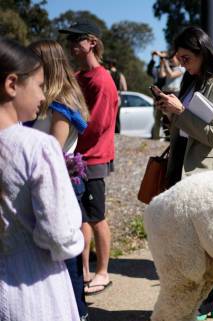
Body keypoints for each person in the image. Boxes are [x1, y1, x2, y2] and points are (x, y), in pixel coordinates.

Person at [0, 36, 97, 321]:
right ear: (12, 84)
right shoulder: (35, 147)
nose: (43, 96)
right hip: (35, 290)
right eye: (39, 85)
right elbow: (60, 235)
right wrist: (74, 241)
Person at [156, 26, 213, 321]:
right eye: (178, 58)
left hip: (210, 175)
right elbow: (187, 127)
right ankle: (200, 299)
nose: (182, 63)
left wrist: (180, 112)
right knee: (192, 245)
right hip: (185, 168)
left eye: (186, 57)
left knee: (209, 246)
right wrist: (169, 110)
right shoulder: (192, 81)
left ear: (203, 51)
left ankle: (207, 301)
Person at [28, 39, 91, 321]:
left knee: (66, 256)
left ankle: (76, 313)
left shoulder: (61, 104)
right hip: (50, 183)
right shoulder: (48, 100)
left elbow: (54, 147)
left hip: (60, 184)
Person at [59, 20, 119, 294]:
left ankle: (103, 271)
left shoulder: (102, 80)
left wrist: (65, 133)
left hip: (93, 159)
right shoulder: (78, 77)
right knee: (80, 217)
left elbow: (98, 125)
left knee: (96, 217)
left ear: (91, 42)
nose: (71, 45)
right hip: (76, 158)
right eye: (68, 40)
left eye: (76, 39)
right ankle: (82, 271)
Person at [107, 60, 126, 134]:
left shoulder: (107, 72)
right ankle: (117, 132)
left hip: (109, 97)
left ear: (111, 64)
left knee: (108, 115)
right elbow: (124, 88)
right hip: (117, 96)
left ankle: (109, 132)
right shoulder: (120, 75)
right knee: (117, 115)